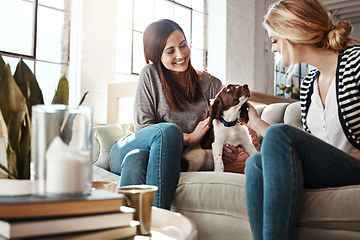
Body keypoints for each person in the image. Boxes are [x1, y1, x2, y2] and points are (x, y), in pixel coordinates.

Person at [109, 19, 256, 210]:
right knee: (168, 132)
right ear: (156, 55)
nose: (180, 55)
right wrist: (189, 138)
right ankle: (160, 222)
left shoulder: (212, 86)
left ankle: (136, 230)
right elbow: (143, 127)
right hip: (128, 147)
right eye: (170, 51)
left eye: (183, 45)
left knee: (137, 161)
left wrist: (226, 149)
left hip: (172, 159)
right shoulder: (150, 75)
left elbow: (224, 127)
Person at [244, 0, 360, 239]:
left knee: (277, 138)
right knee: (255, 165)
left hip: (354, 165)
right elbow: (306, 146)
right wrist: (255, 122)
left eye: (274, 40)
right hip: (330, 168)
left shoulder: (355, 63)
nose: (273, 48)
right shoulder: (308, 86)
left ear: (292, 32)